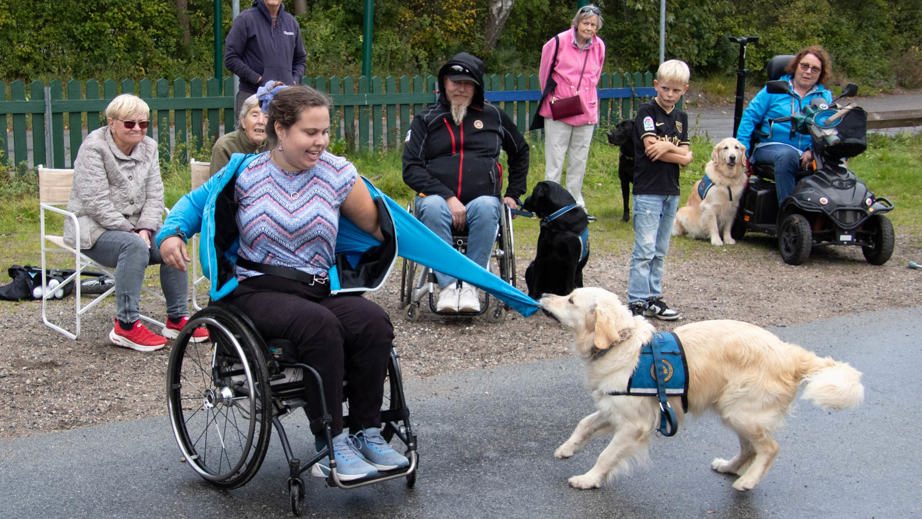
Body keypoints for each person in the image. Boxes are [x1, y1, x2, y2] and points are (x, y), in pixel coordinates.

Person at [157, 85, 409, 481]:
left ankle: (368, 432)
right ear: (281, 129)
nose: (321, 142)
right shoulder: (244, 171)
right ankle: (330, 441)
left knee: (371, 321)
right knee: (318, 325)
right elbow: (194, 203)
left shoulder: (338, 173)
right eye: (311, 133)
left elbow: (381, 226)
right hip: (256, 289)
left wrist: (422, 240)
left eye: (325, 131)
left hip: (316, 287)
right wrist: (170, 234)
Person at [64, 94, 208, 352]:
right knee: (134, 246)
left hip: (139, 228)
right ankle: (126, 326)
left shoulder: (149, 147)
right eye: (130, 124)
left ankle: (177, 319)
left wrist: (146, 228)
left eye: (143, 124)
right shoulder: (94, 147)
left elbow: (155, 195)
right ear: (112, 123)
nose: (138, 129)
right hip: (93, 229)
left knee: (171, 238)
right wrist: (132, 231)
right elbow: (96, 202)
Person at [402, 52, 529, 314]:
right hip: (437, 202)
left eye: (467, 83)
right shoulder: (425, 120)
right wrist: (448, 196)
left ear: (477, 87)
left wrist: (514, 194)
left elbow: (520, 151)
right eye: (454, 82)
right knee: (434, 204)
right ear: (444, 83)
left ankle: (471, 286)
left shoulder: (494, 117)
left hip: (482, 202)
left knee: (485, 205)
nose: (460, 88)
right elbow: (411, 168)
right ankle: (448, 288)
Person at [626, 60, 693, 321]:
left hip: (671, 190)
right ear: (657, 85)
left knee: (660, 249)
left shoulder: (681, 118)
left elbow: (687, 156)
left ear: (684, 90)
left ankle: (654, 296)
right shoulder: (646, 112)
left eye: (676, 91)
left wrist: (670, 149)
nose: (669, 95)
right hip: (648, 190)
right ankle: (637, 300)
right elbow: (652, 149)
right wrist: (674, 151)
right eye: (665, 89)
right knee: (644, 248)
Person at [736, 46, 834, 205]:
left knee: (837, 157)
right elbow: (750, 117)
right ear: (796, 66)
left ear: (820, 74)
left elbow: (826, 128)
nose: (808, 71)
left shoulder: (824, 97)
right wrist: (743, 151)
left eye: (815, 69)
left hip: (806, 152)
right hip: (771, 147)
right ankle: (788, 213)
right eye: (804, 66)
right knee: (787, 155)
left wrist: (812, 151)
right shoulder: (774, 90)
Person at [536, 4, 605, 214]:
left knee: (579, 160)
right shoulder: (557, 42)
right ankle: (550, 203)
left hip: (586, 110)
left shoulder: (599, 46)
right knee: (555, 160)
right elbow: (544, 74)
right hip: (560, 109)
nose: (589, 28)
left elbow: (596, 75)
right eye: (586, 23)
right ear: (576, 23)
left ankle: (574, 203)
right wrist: (556, 98)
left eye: (593, 25)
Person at [224, 0, 307, 118]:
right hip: (253, 98)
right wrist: (257, 79)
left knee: (282, 137)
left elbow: (300, 60)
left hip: (285, 101)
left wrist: (294, 81)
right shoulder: (245, 20)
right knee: (250, 137)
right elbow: (231, 58)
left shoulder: (291, 23)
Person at [209, 93, 268, 175]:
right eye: (255, 115)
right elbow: (219, 186)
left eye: (267, 116)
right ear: (243, 121)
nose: (261, 121)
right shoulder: (225, 147)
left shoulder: (278, 145)